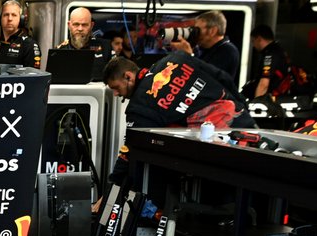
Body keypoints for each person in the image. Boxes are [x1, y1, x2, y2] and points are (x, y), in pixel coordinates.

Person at [103, 52, 250, 186]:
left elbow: (129, 152)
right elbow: (222, 77)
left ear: (128, 76)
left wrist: (113, 185)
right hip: (245, 123)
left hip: (220, 157)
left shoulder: (139, 107)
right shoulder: (176, 59)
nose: (116, 94)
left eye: (116, 87)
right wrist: (243, 104)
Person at [168, 10, 240, 87]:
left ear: (212, 31)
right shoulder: (205, 49)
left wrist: (189, 56)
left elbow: (206, 78)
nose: (195, 33)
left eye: (198, 30)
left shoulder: (228, 50)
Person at [56, 6, 111, 80]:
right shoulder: (59, 51)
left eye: (84, 25)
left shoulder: (105, 47)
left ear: (91, 26)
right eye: (76, 24)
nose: (80, 29)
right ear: (69, 25)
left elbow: (114, 77)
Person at [0, 0, 41, 69]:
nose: (9, 19)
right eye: (6, 15)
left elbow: (33, 77)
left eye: (14, 15)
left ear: (21, 19)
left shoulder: (29, 45)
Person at [245, 24, 293, 99]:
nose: (253, 45)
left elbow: (264, 83)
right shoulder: (280, 51)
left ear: (259, 39)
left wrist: (256, 105)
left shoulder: (270, 55)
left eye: (253, 41)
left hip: (272, 99)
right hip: (281, 96)